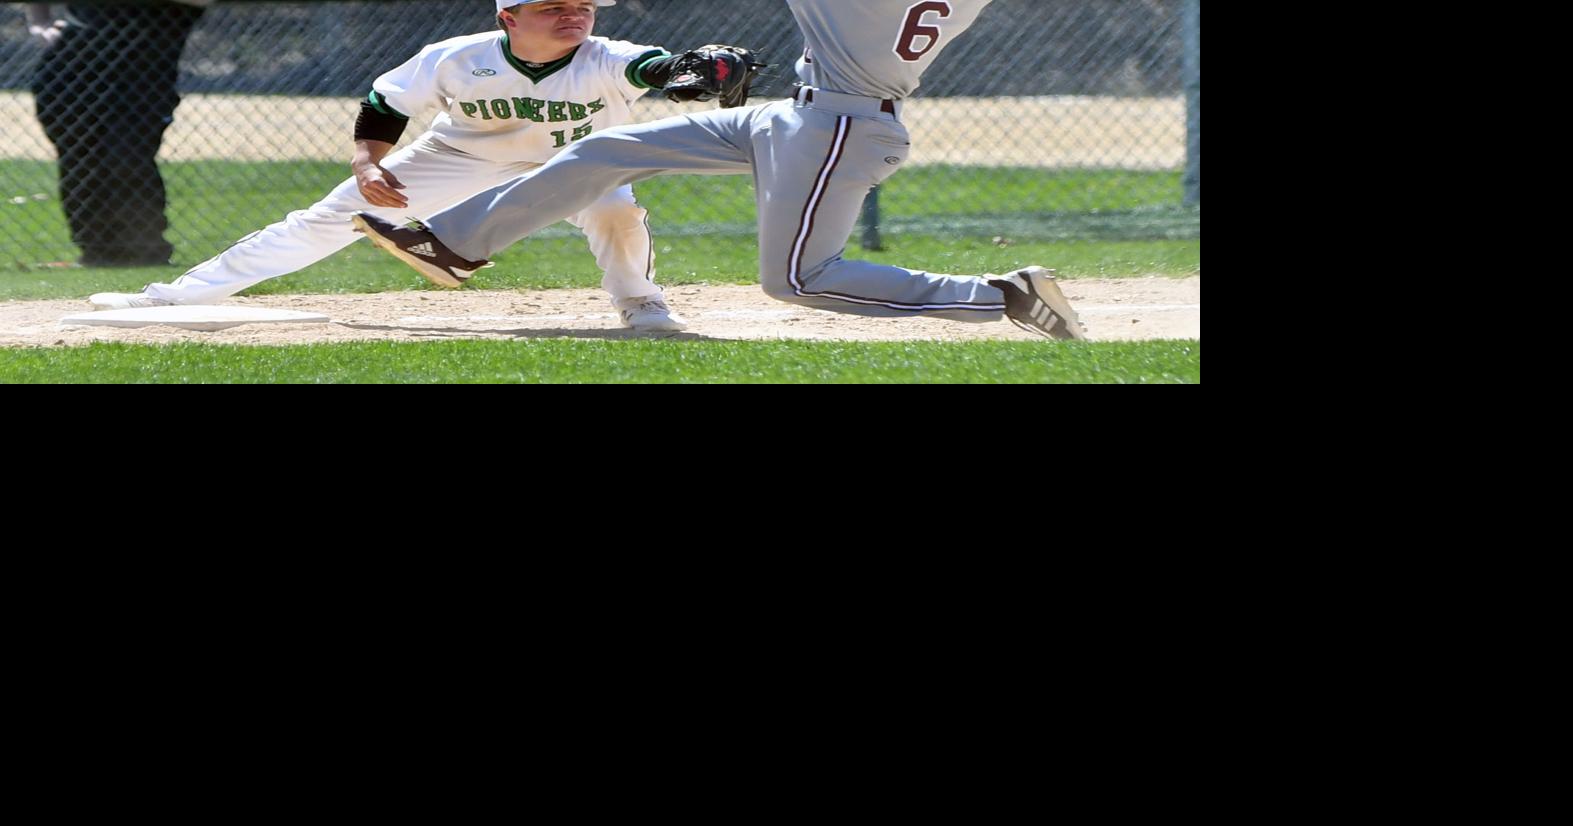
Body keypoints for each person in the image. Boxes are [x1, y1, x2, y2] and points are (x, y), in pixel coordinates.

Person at [354, 0, 1086, 340]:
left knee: (798, 280)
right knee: (607, 151)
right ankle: (452, 243)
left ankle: (1005, 298)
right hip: (795, 115)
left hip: (839, 125)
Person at [91, 0, 730, 331]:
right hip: (461, 155)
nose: (574, 16)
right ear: (508, 17)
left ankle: (641, 303)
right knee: (328, 218)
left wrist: (687, 74)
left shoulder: (606, 54)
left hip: (573, 163)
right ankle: (175, 297)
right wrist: (368, 165)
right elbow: (385, 104)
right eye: (552, 7)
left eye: (583, 7)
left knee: (616, 208)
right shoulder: (457, 56)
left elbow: (655, 66)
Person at [31, 0, 210, 267]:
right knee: (79, 163)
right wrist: (39, 22)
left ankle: (145, 253)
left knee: (127, 159)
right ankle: (95, 253)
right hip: (69, 75)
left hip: (142, 80)